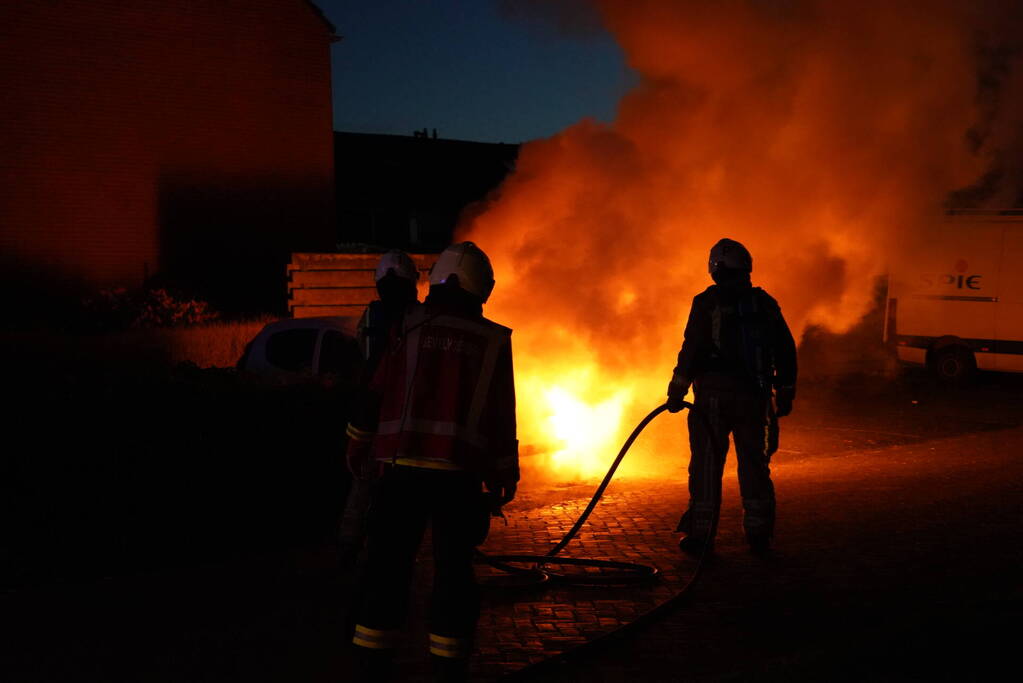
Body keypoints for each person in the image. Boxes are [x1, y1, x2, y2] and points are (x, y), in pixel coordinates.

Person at [345, 241, 519, 682]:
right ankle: (447, 669)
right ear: (484, 289)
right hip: (458, 480)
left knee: (385, 572)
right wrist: (503, 472)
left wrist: (357, 440)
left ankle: (371, 667)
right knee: (454, 576)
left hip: (399, 473)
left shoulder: (407, 325)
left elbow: (375, 389)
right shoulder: (493, 339)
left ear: (437, 280)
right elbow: (501, 412)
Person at [667, 238, 797, 555]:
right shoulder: (764, 304)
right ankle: (758, 533)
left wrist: (677, 388)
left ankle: (701, 534)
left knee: (706, 466)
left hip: (712, 397)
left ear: (714, 269)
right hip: (754, 397)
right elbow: (785, 349)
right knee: (754, 465)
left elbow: (692, 349)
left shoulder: (706, 302)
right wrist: (786, 391)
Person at [338, 250, 421, 569]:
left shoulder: (371, 318)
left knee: (363, 488)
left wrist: (357, 439)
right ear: (413, 282)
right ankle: (386, 554)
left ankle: (350, 550)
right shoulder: (420, 318)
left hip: (375, 426)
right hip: (409, 428)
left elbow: (365, 375)